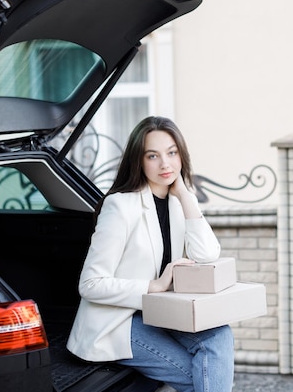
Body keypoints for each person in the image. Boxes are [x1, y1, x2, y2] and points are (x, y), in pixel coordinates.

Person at [67, 116, 235, 392]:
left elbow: (207, 255)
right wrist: (153, 286)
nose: (165, 164)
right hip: (118, 321)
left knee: (219, 335)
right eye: (153, 155)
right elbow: (90, 284)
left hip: (160, 313)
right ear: (139, 160)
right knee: (203, 379)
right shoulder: (120, 206)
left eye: (171, 153)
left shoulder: (178, 203)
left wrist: (186, 195)